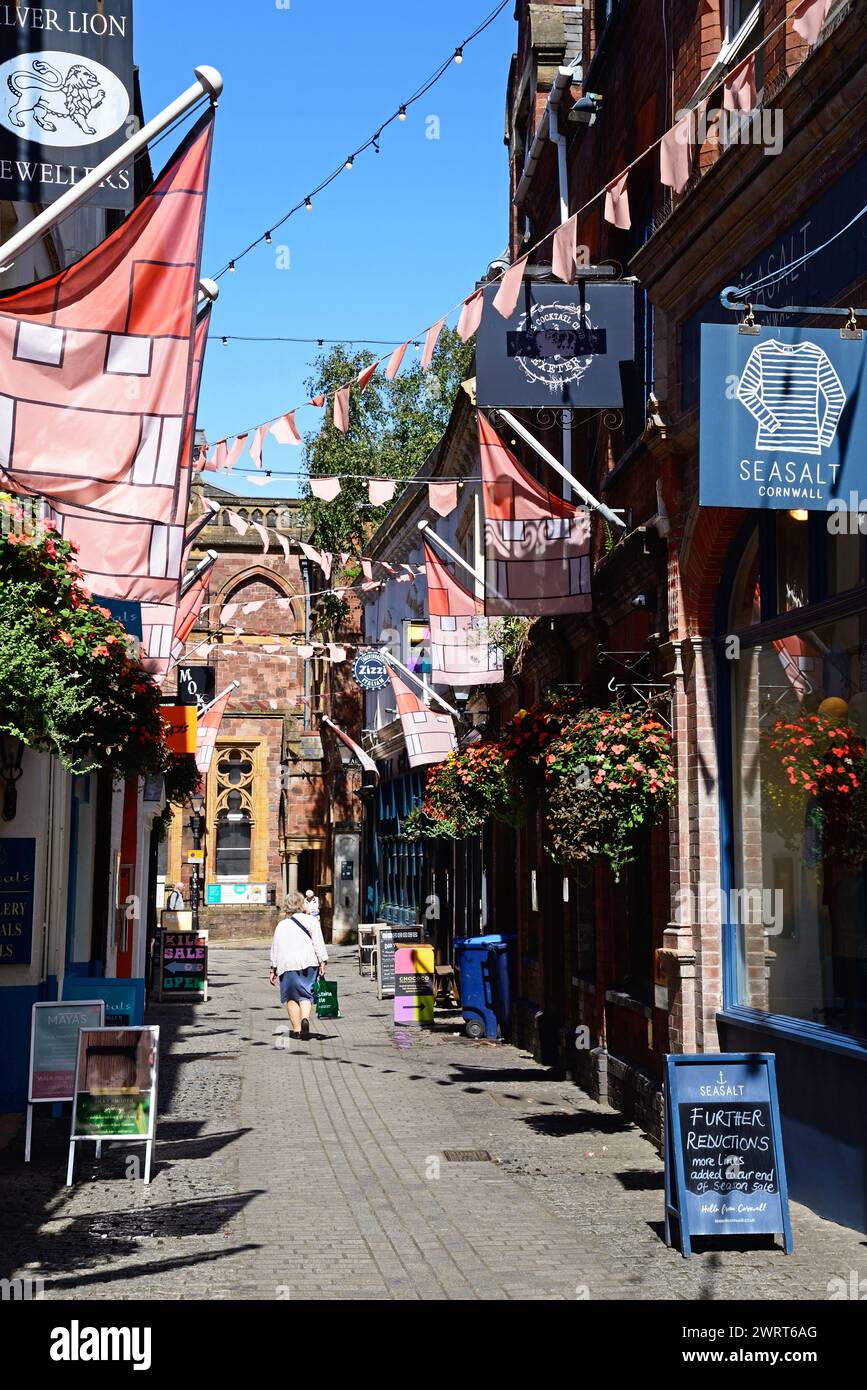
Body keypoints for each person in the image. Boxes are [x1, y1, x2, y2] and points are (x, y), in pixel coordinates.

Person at [269, 890, 328, 1041]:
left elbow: (276, 947)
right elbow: (318, 943)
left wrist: (273, 968)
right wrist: (322, 961)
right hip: (309, 962)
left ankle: (296, 1029)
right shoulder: (312, 921)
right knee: (307, 994)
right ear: (302, 904)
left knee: (291, 996)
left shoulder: (281, 925)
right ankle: (305, 1020)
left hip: (287, 965)